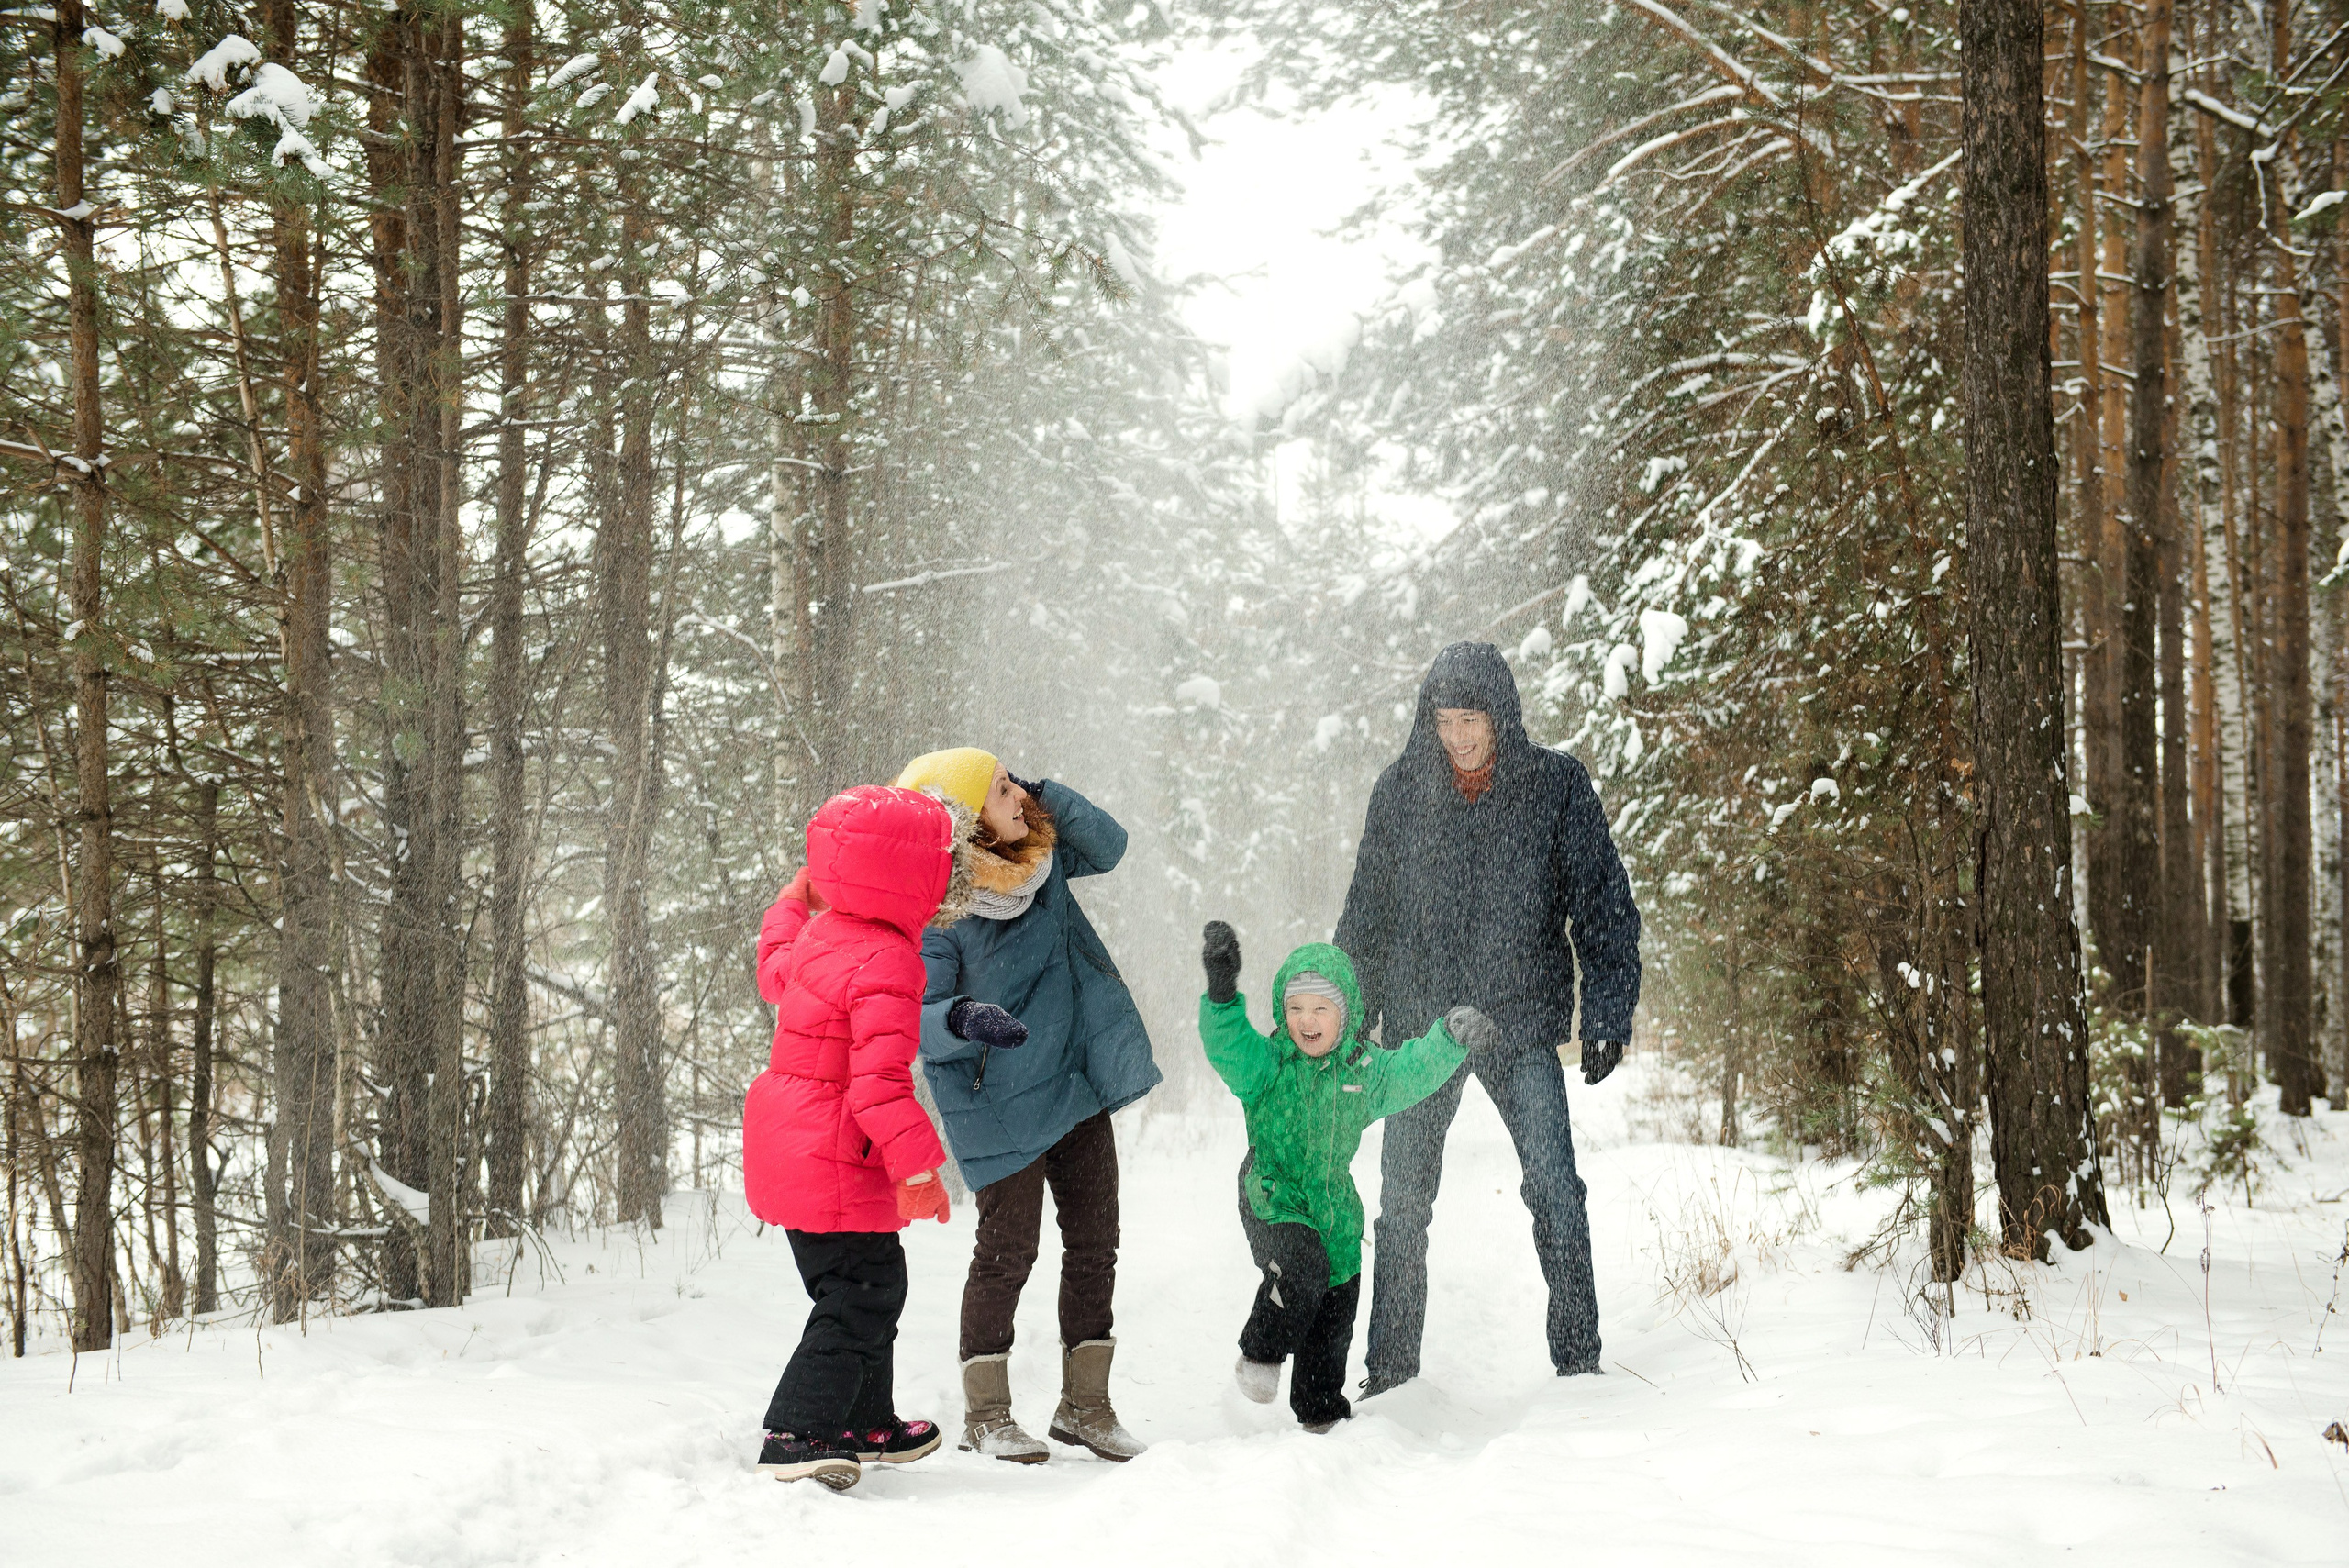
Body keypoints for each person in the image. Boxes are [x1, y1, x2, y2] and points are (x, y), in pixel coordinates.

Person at [1336, 640, 1642, 1395]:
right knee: (1402, 1205)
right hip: (1421, 1029)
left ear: (1500, 712)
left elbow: (1602, 904)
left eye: (1471, 718)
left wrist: (1608, 1008)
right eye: (1445, 720)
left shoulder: (1553, 786)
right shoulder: (1401, 792)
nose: (1459, 735)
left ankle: (1578, 1363)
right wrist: (1348, 1021)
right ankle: (1392, 1377)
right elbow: (1367, 916)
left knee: (1555, 1187)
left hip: (1517, 1019)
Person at [741, 784, 1030, 1490]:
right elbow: (878, 1085)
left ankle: (865, 1420)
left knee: (874, 1282)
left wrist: (790, 902)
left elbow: (771, 969)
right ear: (916, 878)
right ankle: (797, 1430)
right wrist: (918, 1168)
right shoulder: (892, 961)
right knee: (856, 1295)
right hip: (834, 1150)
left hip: (792, 1141)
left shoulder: (821, 933)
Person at [894, 747, 1163, 1463]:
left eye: (1015, 782)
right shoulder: (941, 907)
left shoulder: (1043, 864)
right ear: (963, 819)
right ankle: (986, 1414)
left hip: (1073, 1083)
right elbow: (913, 1016)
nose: (1018, 796)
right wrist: (962, 1019)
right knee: (1009, 1252)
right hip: (997, 1097)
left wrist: (1046, 793)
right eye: (1001, 789)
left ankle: (1086, 1406)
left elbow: (1111, 845)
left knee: (1095, 1242)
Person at [1197, 922, 1500, 1430]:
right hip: (1272, 1194)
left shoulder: (1362, 1070)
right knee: (1302, 1266)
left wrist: (1448, 1037)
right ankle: (1261, 1353)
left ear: (1346, 1013)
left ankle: (1320, 1413)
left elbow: (1410, 1071)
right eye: (1295, 1009)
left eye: (1321, 1008)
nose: (1307, 1020)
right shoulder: (1268, 1066)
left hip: (1333, 1205)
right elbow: (1228, 1047)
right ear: (1282, 1013)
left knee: (1336, 1303)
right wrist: (1223, 992)